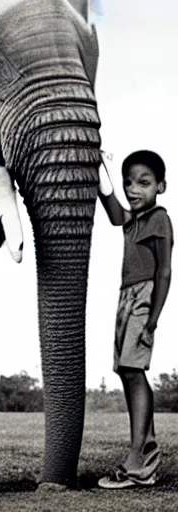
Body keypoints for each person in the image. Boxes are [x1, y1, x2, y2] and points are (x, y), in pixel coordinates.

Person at [97, 150, 173, 489]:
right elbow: (115, 213)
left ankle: (138, 460)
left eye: (143, 183)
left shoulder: (158, 218)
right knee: (126, 372)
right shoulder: (135, 219)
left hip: (142, 299)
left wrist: (153, 319)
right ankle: (145, 462)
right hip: (125, 296)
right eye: (129, 182)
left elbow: (165, 272)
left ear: (161, 186)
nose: (133, 189)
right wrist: (101, 167)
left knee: (134, 371)